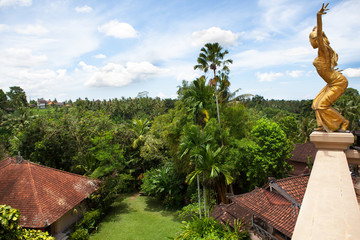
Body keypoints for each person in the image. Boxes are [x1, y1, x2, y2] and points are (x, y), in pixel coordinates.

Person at [310, 3, 349, 132]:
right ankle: (322, 125)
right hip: (331, 82)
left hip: (337, 82)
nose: (310, 43)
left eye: (311, 40)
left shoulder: (322, 50)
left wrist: (318, 16)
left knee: (322, 105)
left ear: (316, 40)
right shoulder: (322, 52)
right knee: (316, 104)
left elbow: (320, 35)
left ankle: (344, 122)